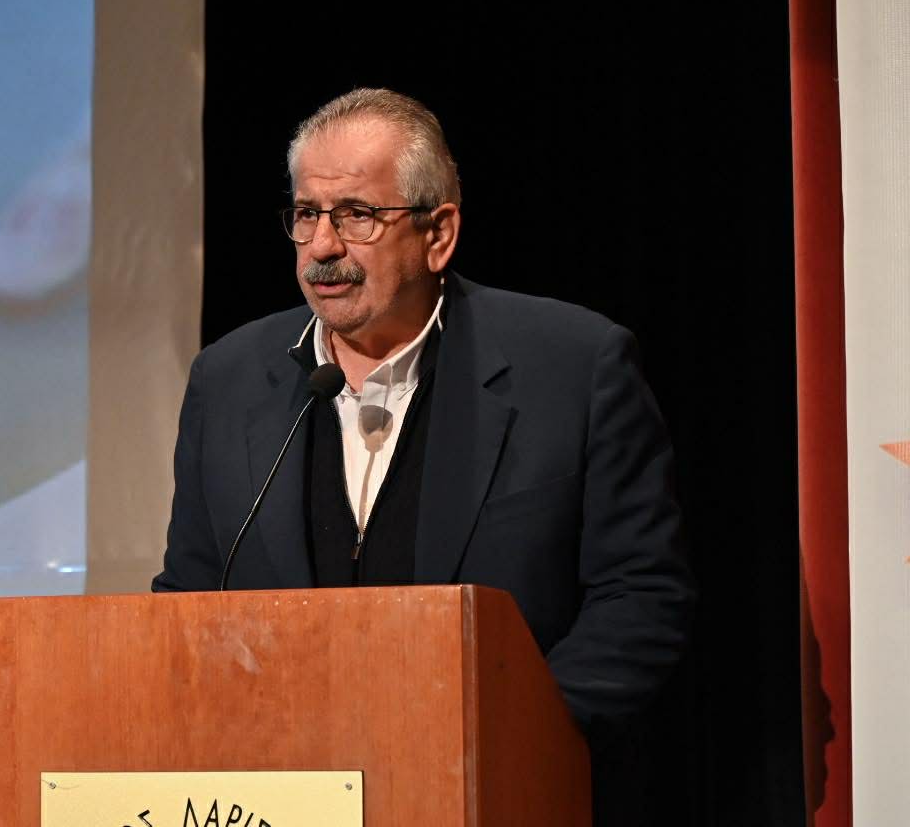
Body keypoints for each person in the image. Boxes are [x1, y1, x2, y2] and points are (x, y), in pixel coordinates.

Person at [153, 88, 695, 823]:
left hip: (493, 788)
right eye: (306, 214)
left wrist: (509, 735)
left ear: (438, 234)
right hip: (278, 788)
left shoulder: (571, 367)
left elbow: (639, 595)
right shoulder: (228, 379)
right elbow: (187, 598)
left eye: (356, 215)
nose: (322, 247)